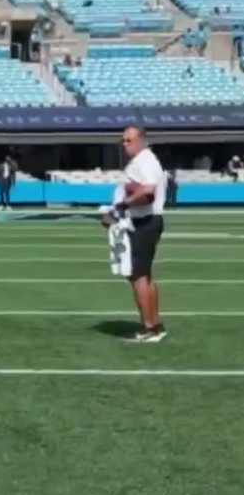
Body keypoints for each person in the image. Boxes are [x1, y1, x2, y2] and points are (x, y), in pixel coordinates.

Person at [101, 125, 167, 342]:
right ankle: (154, 324)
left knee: (137, 275)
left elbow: (148, 192)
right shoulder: (144, 160)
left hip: (144, 222)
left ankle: (148, 327)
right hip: (144, 220)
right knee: (144, 274)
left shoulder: (144, 160)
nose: (124, 144)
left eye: (129, 140)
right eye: (123, 140)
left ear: (141, 140)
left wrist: (122, 206)